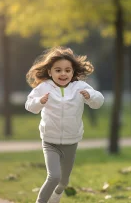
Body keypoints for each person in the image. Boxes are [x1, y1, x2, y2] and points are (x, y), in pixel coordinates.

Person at [25, 46, 104, 203]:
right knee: (54, 176)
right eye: (58, 70)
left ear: (73, 72)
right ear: (50, 72)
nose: (63, 74)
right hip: (50, 140)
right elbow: (29, 105)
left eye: (67, 70)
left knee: (63, 181)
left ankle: (55, 197)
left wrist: (90, 96)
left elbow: (99, 101)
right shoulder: (45, 87)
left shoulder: (80, 87)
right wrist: (39, 102)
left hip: (71, 141)